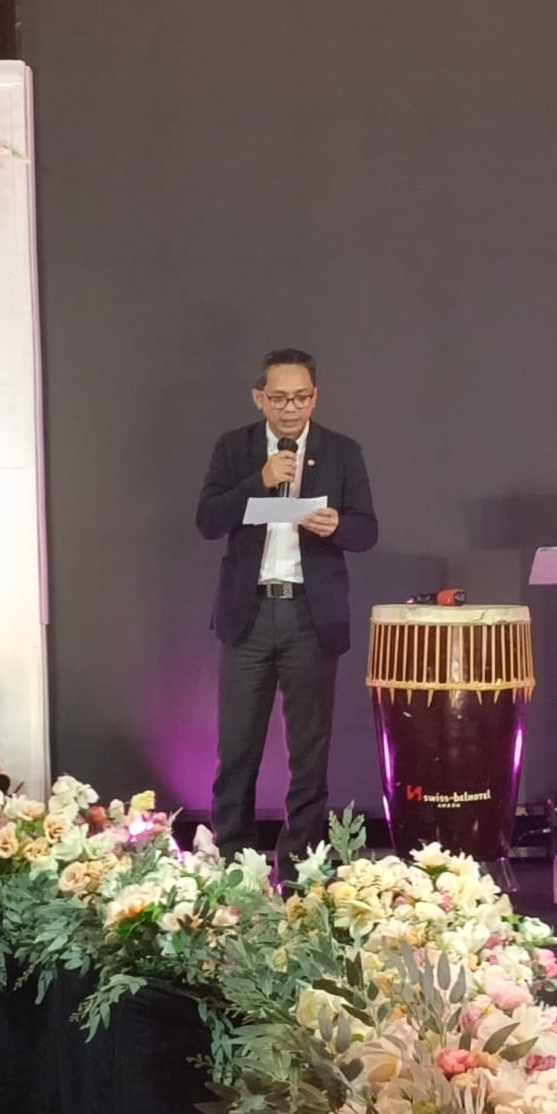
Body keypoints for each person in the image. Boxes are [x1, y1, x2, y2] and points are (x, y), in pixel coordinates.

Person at [196, 348, 378, 877]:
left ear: (315, 397)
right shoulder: (234, 448)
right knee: (237, 748)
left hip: (309, 617)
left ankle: (300, 867)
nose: (290, 408)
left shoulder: (341, 451)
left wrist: (336, 525)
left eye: (300, 398)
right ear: (260, 398)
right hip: (248, 615)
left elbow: (367, 530)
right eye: (279, 398)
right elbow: (208, 520)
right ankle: (234, 864)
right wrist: (259, 479)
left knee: (309, 750)